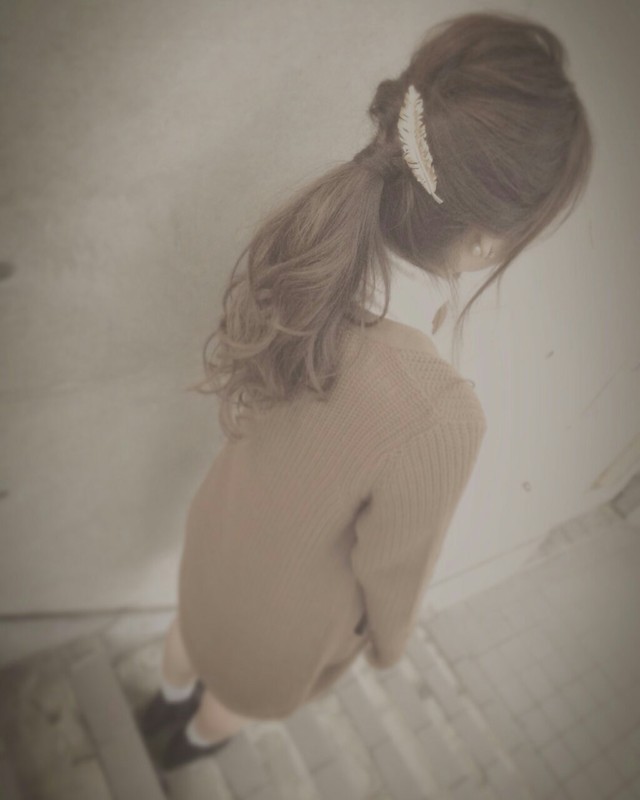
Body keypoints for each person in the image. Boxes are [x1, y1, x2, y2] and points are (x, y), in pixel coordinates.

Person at [137, 10, 593, 771]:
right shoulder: (439, 414)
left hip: (217, 528)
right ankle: (176, 753)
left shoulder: (309, 247)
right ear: (486, 241)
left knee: (185, 641)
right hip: (283, 615)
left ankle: (160, 708)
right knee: (231, 703)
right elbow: (394, 568)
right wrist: (388, 646)